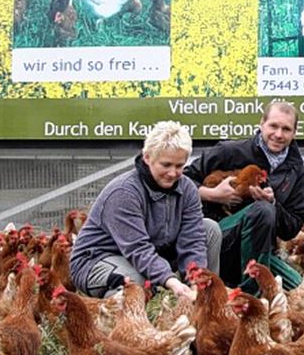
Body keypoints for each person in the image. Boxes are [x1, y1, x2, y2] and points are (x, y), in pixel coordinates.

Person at [70, 121, 221, 299]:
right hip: (98, 259)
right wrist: (171, 281)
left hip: (153, 253)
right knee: (135, 284)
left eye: (179, 166)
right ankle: (120, 317)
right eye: (166, 165)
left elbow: (193, 239)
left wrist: (196, 280)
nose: (173, 173)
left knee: (209, 229)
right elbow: (138, 249)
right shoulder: (124, 192)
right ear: (148, 157)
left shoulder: (187, 189)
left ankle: (205, 298)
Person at [183, 101, 304, 292]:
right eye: (273, 126)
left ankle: (245, 280)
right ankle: (251, 295)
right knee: (263, 211)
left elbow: (291, 228)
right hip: (219, 238)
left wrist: (273, 203)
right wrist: (212, 195)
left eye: (286, 129)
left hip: (259, 249)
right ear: (261, 124)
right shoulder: (231, 151)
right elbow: (183, 179)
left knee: (299, 287)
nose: (279, 134)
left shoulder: (295, 170)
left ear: (295, 132)